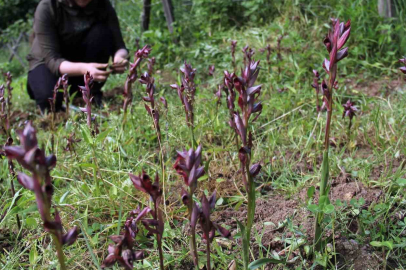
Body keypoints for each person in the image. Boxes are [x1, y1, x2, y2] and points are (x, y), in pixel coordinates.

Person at [27, 0, 129, 112]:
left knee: (101, 33)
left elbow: (119, 45)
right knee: (50, 99)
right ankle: (43, 89)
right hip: (48, 61)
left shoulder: (102, 4)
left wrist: (120, 58)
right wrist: (84, 69)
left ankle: (90, 92)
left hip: (80, 56)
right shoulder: (48, 6)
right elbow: (52, 60)